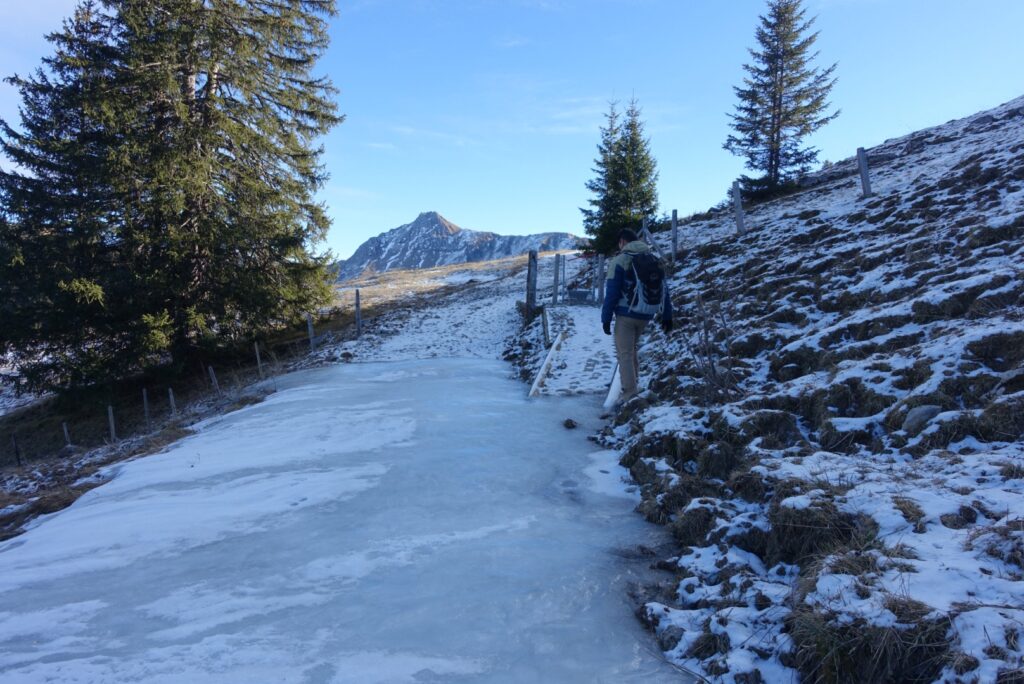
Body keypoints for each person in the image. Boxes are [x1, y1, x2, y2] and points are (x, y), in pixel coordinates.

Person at [601, 229, 673, 404]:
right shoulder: (653, 259)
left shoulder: (620, 260)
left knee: (624, 354)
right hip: (647, 313)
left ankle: (630, 394)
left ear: (623, 242)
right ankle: (634, 387)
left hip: (626, 315)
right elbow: (665, 289)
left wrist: (606, 318)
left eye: (619, 243)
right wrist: (667, 315)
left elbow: (612, 293)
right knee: (632, 350)